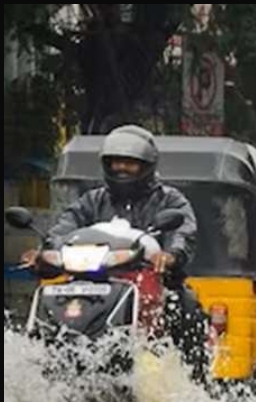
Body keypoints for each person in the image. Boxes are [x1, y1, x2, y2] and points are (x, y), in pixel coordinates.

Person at [25, 124, 207, 381]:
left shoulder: (170, 200)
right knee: (53, 301)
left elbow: (184, 232)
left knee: (186, 306)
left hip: (153, 282)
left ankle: (194, 382)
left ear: (146, 166)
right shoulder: (92, 200)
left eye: (129, 163)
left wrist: (171, 255)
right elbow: (65, 227)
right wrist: (47, 251)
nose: (121, 168)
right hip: (90, 280)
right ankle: (35, 367)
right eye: (115, 162)